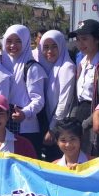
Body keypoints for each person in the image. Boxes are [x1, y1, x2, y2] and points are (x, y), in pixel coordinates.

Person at [68, 19, 99, 157]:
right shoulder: (82, 63)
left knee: (94, 158)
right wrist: (73, 122)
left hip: (96, 116)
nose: (80, 44)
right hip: (81, 114)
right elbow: (77, 97)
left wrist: (85, 124)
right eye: (78, 40)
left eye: (84, 39)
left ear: (97, 40)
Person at [1, 24, 48, 151]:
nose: (13, 45)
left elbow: (38, 100)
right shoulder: (3, 64)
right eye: (9, 41)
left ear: (26, 42)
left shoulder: (32, 68)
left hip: (27, 129)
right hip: (6, 127)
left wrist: (25, 113)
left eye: (18, 41)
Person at [37, 30, 76, 161]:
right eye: (46, 47)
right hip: (50, 124)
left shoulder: (66, 68)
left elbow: (64, 103)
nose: (49, 51)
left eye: (54, 46)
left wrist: (52, 129)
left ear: (61, 46)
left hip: (60, 128)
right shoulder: (49, 67)